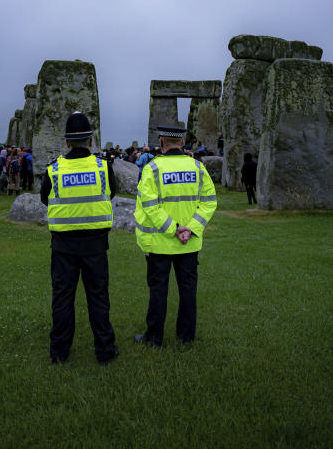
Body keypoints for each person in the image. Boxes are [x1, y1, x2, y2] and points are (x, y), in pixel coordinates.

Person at [40, 112, 119, 365]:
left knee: (63, 298)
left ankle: (60, 352)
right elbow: (111, 192)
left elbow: (45, 198)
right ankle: (105, 351)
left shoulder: (53, 169)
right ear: (91, 141)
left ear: (67, 143)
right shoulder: (103, 167)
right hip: (95, 244)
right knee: (98, 297)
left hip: (63, 244)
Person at [133, 125, 217, 347]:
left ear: (161, 143)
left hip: (160, 243)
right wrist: (190, 229)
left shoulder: (152, 169)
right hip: (189, 243)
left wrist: (174, 229)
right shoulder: (198, 168)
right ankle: (186, 335)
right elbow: (209, 203)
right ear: (182, 143)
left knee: (158, 292)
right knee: (188, 290)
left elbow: (150, 206)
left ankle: (154, 337)